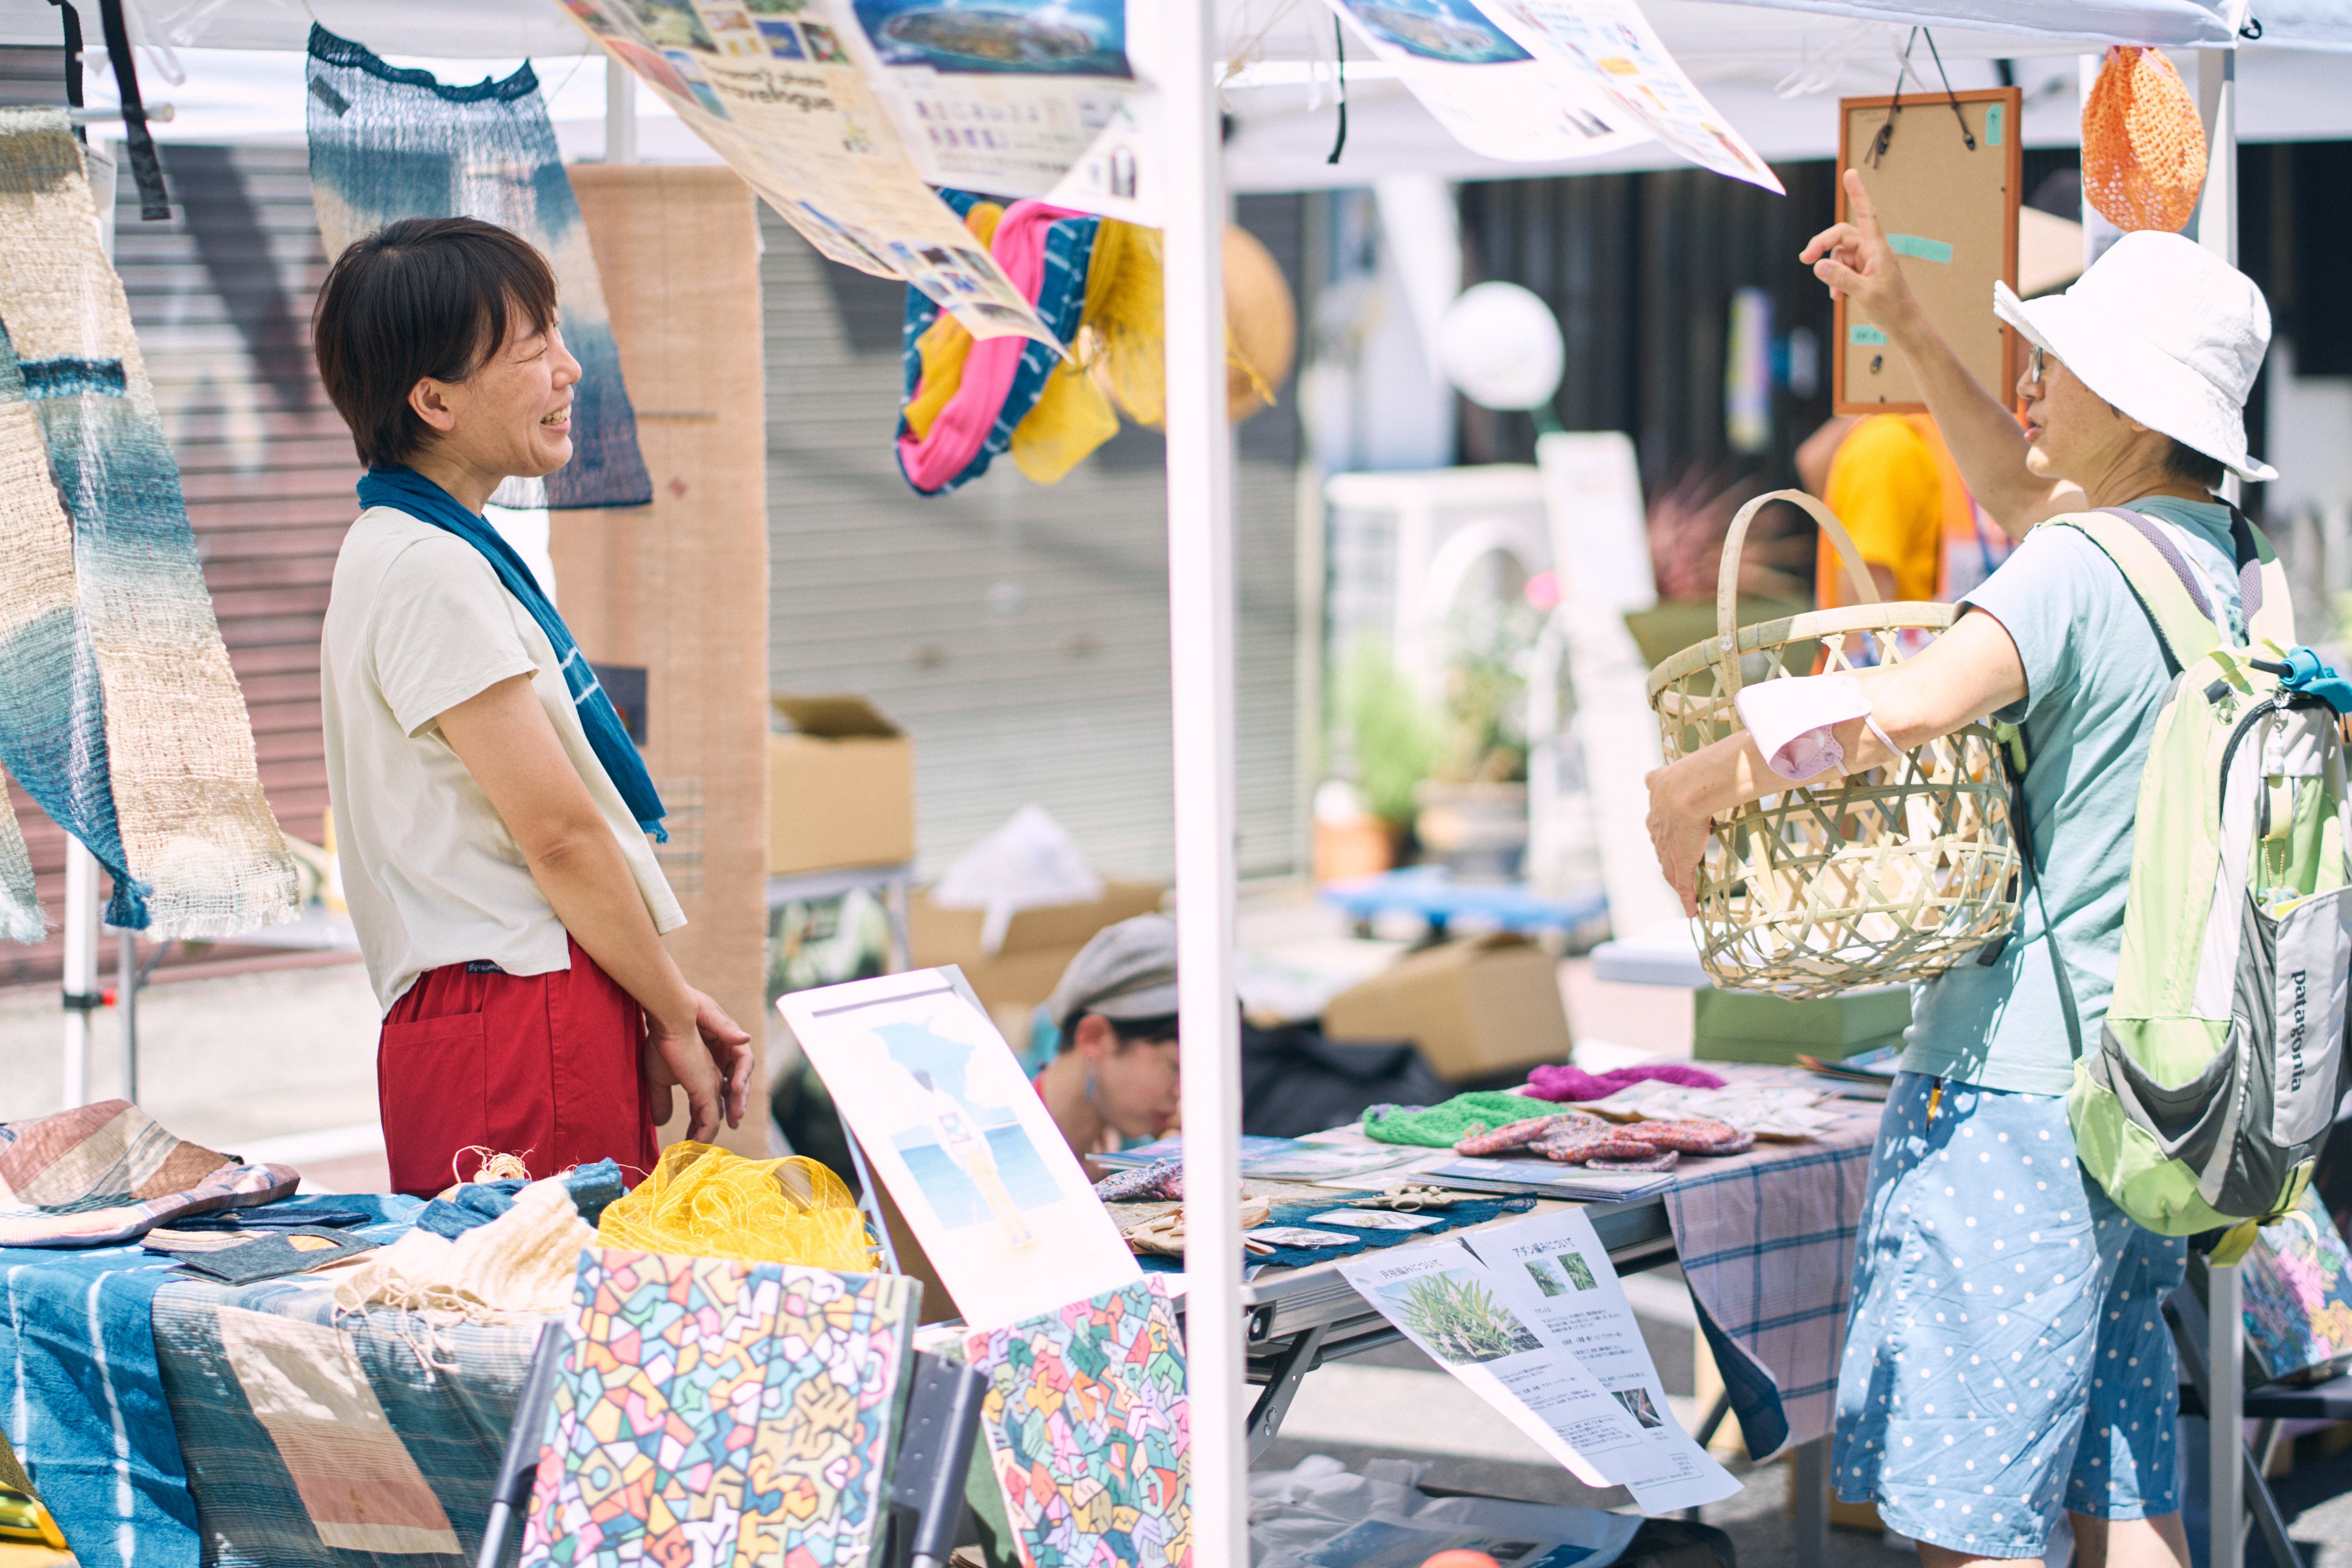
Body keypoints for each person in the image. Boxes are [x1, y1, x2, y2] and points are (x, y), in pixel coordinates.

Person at [1646, 169, 2281, 1568]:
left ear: (2132, 406)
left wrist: (1698, 776)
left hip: (2010, 1096)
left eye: (2060, 363)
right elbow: (2025, 494)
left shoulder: (2073, 567)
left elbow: (1907, 707)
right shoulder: (2200, 559)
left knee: (1965, 1518)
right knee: (2120, 1497)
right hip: (2137, 1095)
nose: (2038, 383)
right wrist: (1908, 325)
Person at [314, 216, 751, 1197]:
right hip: (514, 1011)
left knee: (524, 1315)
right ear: (434, 400)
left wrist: (663, 994)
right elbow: (556, 836)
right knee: (542, 1328)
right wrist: (672, 1018)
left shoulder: (425, 547)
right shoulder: (428, 564)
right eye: (533, 349)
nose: (570, 371)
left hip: (513, 1002)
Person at [1033, 915, 1183, 1164]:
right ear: (1094, 1038)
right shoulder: (1000, 1159)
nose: (1184, 1094)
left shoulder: (1138, 1156)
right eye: (1176, 1068)